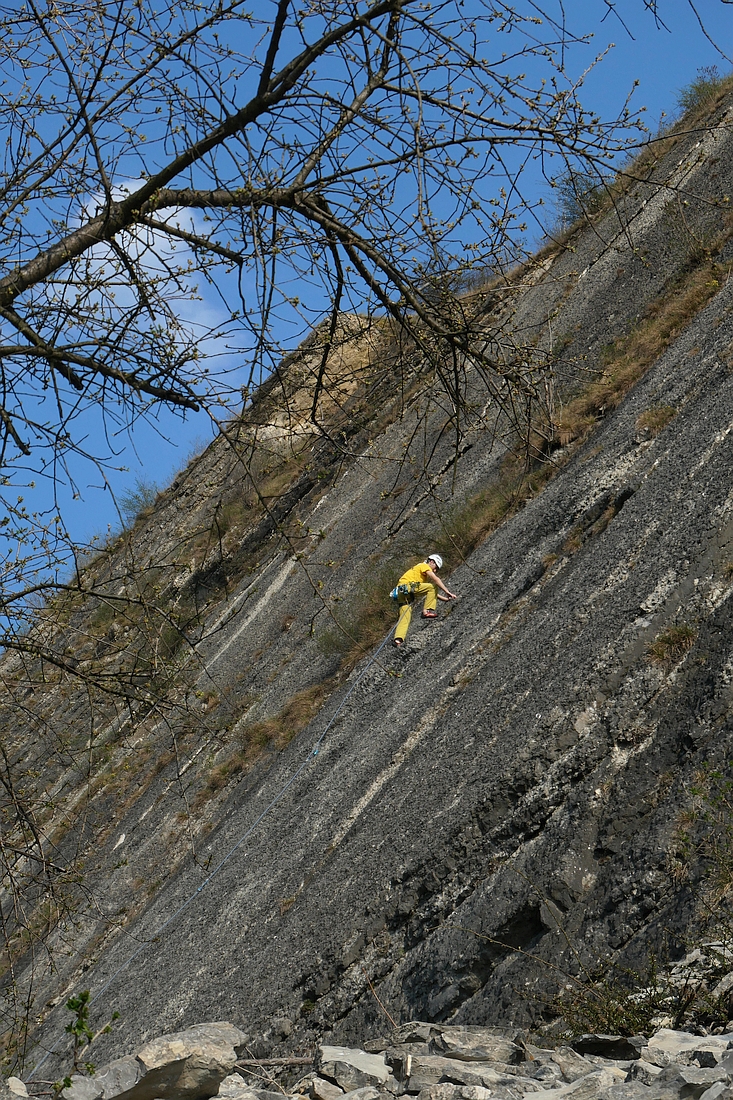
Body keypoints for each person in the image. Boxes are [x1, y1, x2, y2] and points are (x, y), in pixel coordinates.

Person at [391, 553, 457, 647]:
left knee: (406, 616)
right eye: (436, 568)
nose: (435, 571)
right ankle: (427, 610)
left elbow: (432, 593)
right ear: (431, 562)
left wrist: (445, 599)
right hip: (407, 586)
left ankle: (398, 639)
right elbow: (436, 580)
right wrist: (447, 591)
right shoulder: (423, 566)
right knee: (433, 586)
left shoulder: (420, 577)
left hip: (401, 593)